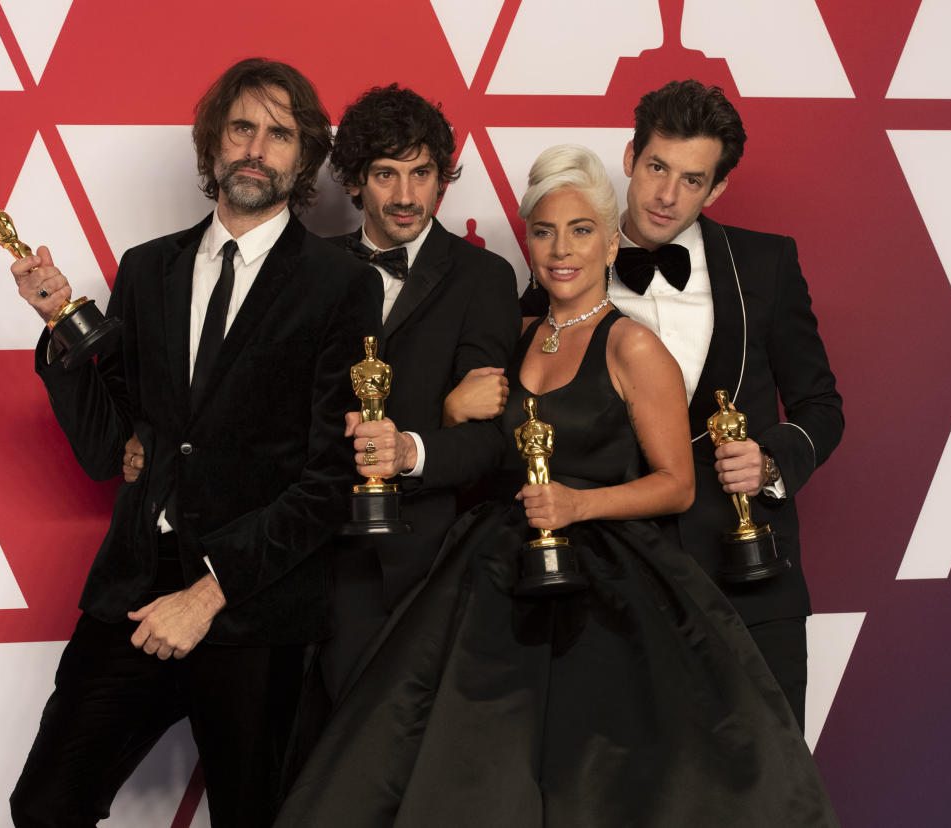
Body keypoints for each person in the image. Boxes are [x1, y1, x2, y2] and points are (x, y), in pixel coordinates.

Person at [274, 145, 837, 827]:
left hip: (609, 583)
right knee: (466, 770)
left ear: (608, 243)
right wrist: (452, 414)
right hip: (495, 575)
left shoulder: (635, 346)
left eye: (579, 230)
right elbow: (485, 448)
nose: (559, 248)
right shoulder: (514, 335)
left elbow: (677, 487)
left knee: (594, 783)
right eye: (543, 231)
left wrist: (578, 503)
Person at [7, 58, 381, 826]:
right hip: (137, 586)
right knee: (46, 805)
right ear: (212, 145)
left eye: (280, 134)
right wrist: (59, 331)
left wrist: (208, 593)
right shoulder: (148, 269)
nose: (257, 147)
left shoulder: (339, 284)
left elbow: (329, 477)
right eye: (242, 127)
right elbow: (109, 447)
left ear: (304, 158)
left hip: (253, 599)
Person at [525, 80, 843, 728]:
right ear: (630, 156)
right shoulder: (567, 260)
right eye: (656, 168)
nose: (666, 196)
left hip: (752, 576)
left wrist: (772, 462)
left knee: (773, 797)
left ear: (717, 188)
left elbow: (821, 405)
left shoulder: (767, 264)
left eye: (692, 180)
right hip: (618, 580)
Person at [321, 83, 520, 697]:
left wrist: (411, 449)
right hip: (315, 553)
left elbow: (489, 442)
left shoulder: (484, 277)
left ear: (442, 179)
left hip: (429, 561)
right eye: (386, 174)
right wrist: (440, 411)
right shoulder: (307, 268)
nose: (406, 196)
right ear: (354, 181)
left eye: (422, 172)